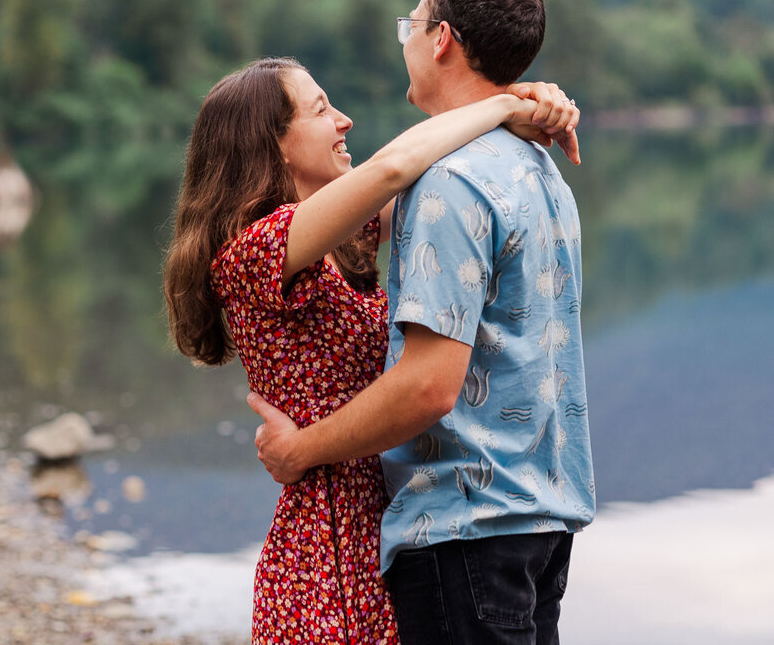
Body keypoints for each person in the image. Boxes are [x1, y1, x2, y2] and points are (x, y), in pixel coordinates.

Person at [163, 52, 578, 643]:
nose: (345, 120)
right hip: (328, 548)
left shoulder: (325, 237)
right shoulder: (252, 252)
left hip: (386, 515)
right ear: (273, 143)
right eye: (321, 109)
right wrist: (507, 104)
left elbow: (433, 173)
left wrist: (527, 100)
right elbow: (395, 167)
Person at [247, 0, 595, 645]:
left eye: (411, 23)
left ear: (440, 41)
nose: (405, 39)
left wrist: (300, 450)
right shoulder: (538, 164)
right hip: (543, 520)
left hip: (465, 531)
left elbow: (429, 388)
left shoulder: (450, 184)